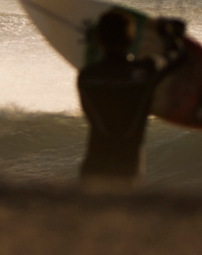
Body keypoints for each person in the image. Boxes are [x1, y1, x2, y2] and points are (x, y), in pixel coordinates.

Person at [77, 10, 186, 190]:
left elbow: (95, 64)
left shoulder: (86, 77)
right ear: (132, 40)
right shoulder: (146, 72)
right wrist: (172, 35)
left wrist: (91, 43)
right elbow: (175, 57)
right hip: (127, 170)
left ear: (100, 39)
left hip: (93, 169)